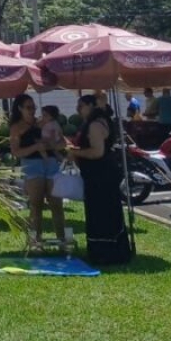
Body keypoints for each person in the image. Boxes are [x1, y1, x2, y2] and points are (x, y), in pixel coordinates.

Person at [67, 94, 130, 265]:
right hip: (97, 174)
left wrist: (75, 152)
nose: (77, 110)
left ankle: (106, 253)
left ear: (91, 106)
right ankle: (104, 251)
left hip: (101, 175)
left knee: (102, 214)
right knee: (101, 213)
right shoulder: (96, 122)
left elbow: (97, 152)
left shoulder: (95, 125)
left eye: (80, 106)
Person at [9, 94, 65, 249]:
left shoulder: (43, 122)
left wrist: (49, 146)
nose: (32, 110)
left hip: (51, 164)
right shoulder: (16, 128)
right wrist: (35, 147)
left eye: (34, 107)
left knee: (56, 204)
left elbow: (62, 143)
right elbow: (15, 151)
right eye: (28, 107)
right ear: (20, 108)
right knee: (36, 205)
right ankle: (35, 242)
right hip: (32, 165)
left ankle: (63, 241)